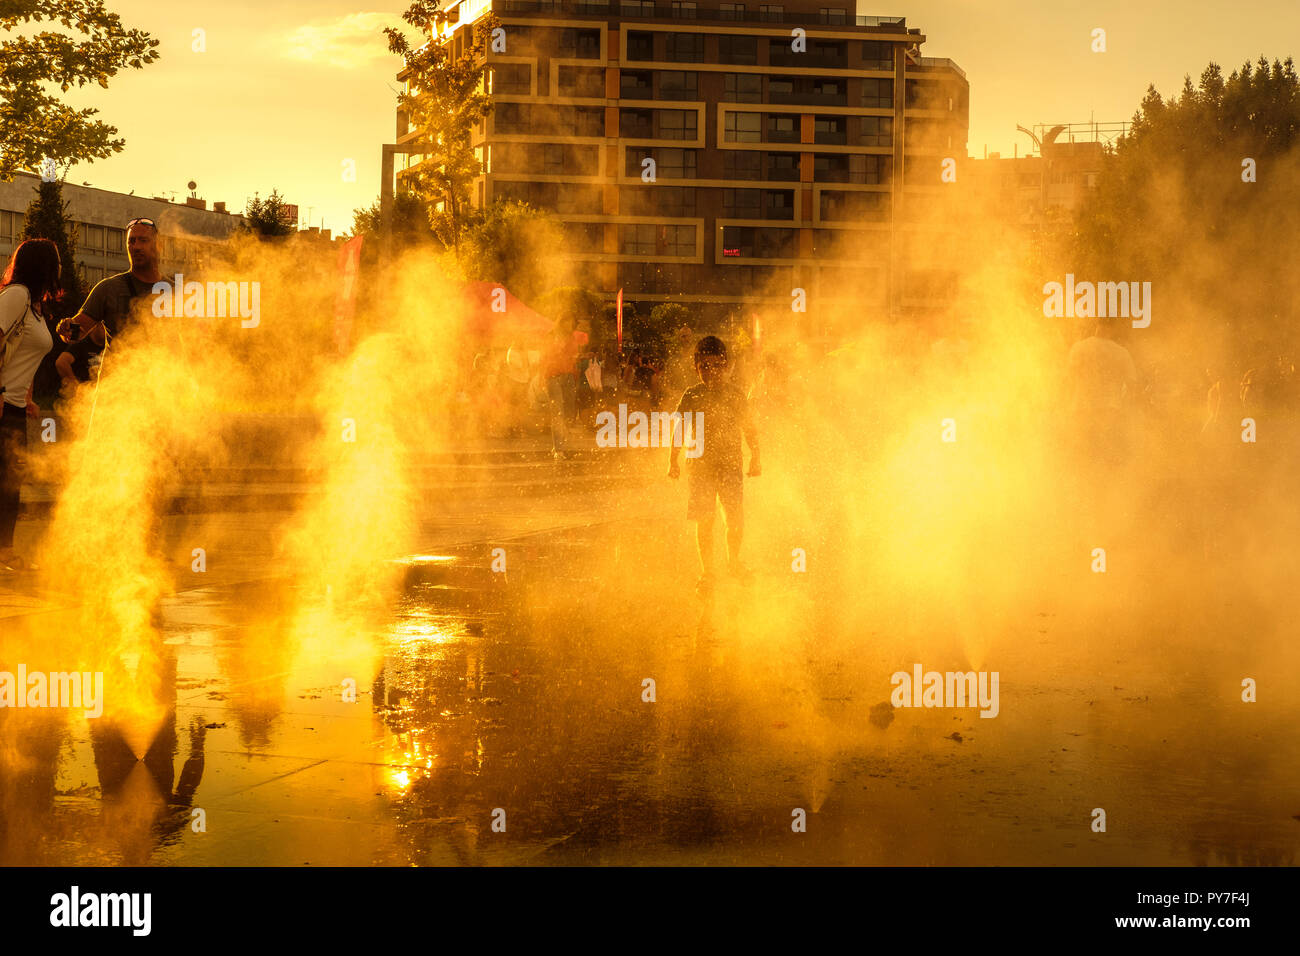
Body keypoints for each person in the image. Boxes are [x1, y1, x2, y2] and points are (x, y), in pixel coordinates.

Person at [668, 336, 761, 596]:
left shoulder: (735, 395)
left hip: (730, 465)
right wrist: (672, 460)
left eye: (717, 366)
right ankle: (707, 572)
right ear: (695, 366)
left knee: (735, 517)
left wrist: (756, 455)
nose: (711, 372)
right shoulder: (692, 395)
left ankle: (734, 562)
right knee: (705, 521)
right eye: (705, 366)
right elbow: (679, 428)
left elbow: (749, 428)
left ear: (727, 365)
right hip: (699, 467)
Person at [0, 239, 60, 571]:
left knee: (10, 483)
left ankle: (5, 552)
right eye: (56, 263)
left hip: (15, 405)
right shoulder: (17, 295)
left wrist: (28, 397)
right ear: (43, 267)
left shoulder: (36, 308)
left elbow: (25, 353)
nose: (60, 269)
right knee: (5, 482)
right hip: (2, 402)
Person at [55, 217, 166, 391]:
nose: (136, 247)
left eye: (143, 240)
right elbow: (76, 332)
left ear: (159, 245)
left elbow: (192, 344)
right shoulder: (108, 289)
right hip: (115, 396)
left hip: (162, 392)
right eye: (131, 241)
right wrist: (67, 327)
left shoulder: (176, 291)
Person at [540, 313, 589, 455]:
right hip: (553, 376)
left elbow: (571, 356)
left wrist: (580, 357)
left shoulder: (571, 338)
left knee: (569, 412)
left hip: (568, 376)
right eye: (567, 322)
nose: (569, 325)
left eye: (571, 322)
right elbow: (545, 355)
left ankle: (563, 443)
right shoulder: (551, 336)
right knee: (558, 412)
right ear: (561, 322)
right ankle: (558, 449)